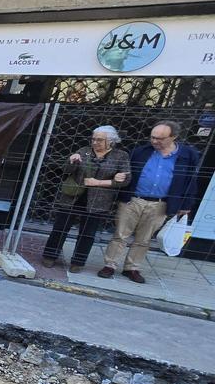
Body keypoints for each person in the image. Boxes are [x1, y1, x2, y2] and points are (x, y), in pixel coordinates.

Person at [98, 120, 201, 283]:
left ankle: (131, 268)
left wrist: (186, 204)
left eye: (160, 138)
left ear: (173, 137)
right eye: (153, 137)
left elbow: (191, 180)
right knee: (120, 234)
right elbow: (124, 170)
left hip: (160, 204)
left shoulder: (187, 155)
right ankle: (110, 265)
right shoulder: (140, 151)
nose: (154, 141)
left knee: (144, 239)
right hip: (133, 200)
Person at [41, 126, 130, 273]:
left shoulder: (120, 156)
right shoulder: (84, 151)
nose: (95, 142)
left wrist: (102, 182)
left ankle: (78, 262)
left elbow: (125, 180)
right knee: (60, 228)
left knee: (88, 233)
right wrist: (71, 161)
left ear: (111, 141)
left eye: (99, 140)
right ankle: (50, 256)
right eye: (93, 139)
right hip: (73, 197)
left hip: (99, 201)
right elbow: (66, 170)